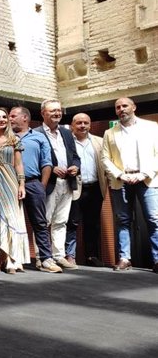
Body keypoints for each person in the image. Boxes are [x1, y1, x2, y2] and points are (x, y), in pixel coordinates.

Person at [102, 97, 158, 273]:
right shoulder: (110, 133)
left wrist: (144, 173)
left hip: (147, 179)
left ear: (134, 107)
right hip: (121, 181)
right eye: (118, 107)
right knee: (123, 220)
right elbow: (105, 158)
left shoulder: (151, 127)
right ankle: (125, 258)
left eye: (125, 106)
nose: (121, 109)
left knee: (153, 219)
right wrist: (120, 174)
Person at [9, 106, 61, 273]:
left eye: (13, 116)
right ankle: (13, 259)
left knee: (40, 222)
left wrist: (42, 186)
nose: (9, 119)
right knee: (12, 222)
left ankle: (46, 259)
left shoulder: (39, 137)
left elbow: (47, 163)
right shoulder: (6, 137)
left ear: (25, 118)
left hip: (33, 183)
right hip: (10, 184)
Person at [35, 99, 80, 270]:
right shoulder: (36, 133)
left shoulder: (67, 133)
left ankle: (58, 255)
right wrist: (51, 169)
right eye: (53, 110)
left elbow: (75, 156)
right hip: (49, 183)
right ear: (43, 113)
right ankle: (41, 256)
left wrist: (76, 167)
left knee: (61, 221)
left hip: (67, 183)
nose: (57, 113)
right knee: (43, 221)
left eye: (59, 110)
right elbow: (33, 160)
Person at [0, 107, 28, 273]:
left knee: (10, 218)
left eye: (4, 117)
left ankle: (11, 258)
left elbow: (18, 164)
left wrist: (22, 184)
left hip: (9, 181)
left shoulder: (14, 140)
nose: (2, 119)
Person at [65, 113, 108, 267]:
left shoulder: (99, 141)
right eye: (79, 123)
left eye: (85, 123)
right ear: (72, 125)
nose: (82, 125)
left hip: (96, 187)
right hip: (75, 188)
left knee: (93, 223)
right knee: (72, 222)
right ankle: (70, 255)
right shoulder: (67, 141)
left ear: (90, 125)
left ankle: (91, 256)